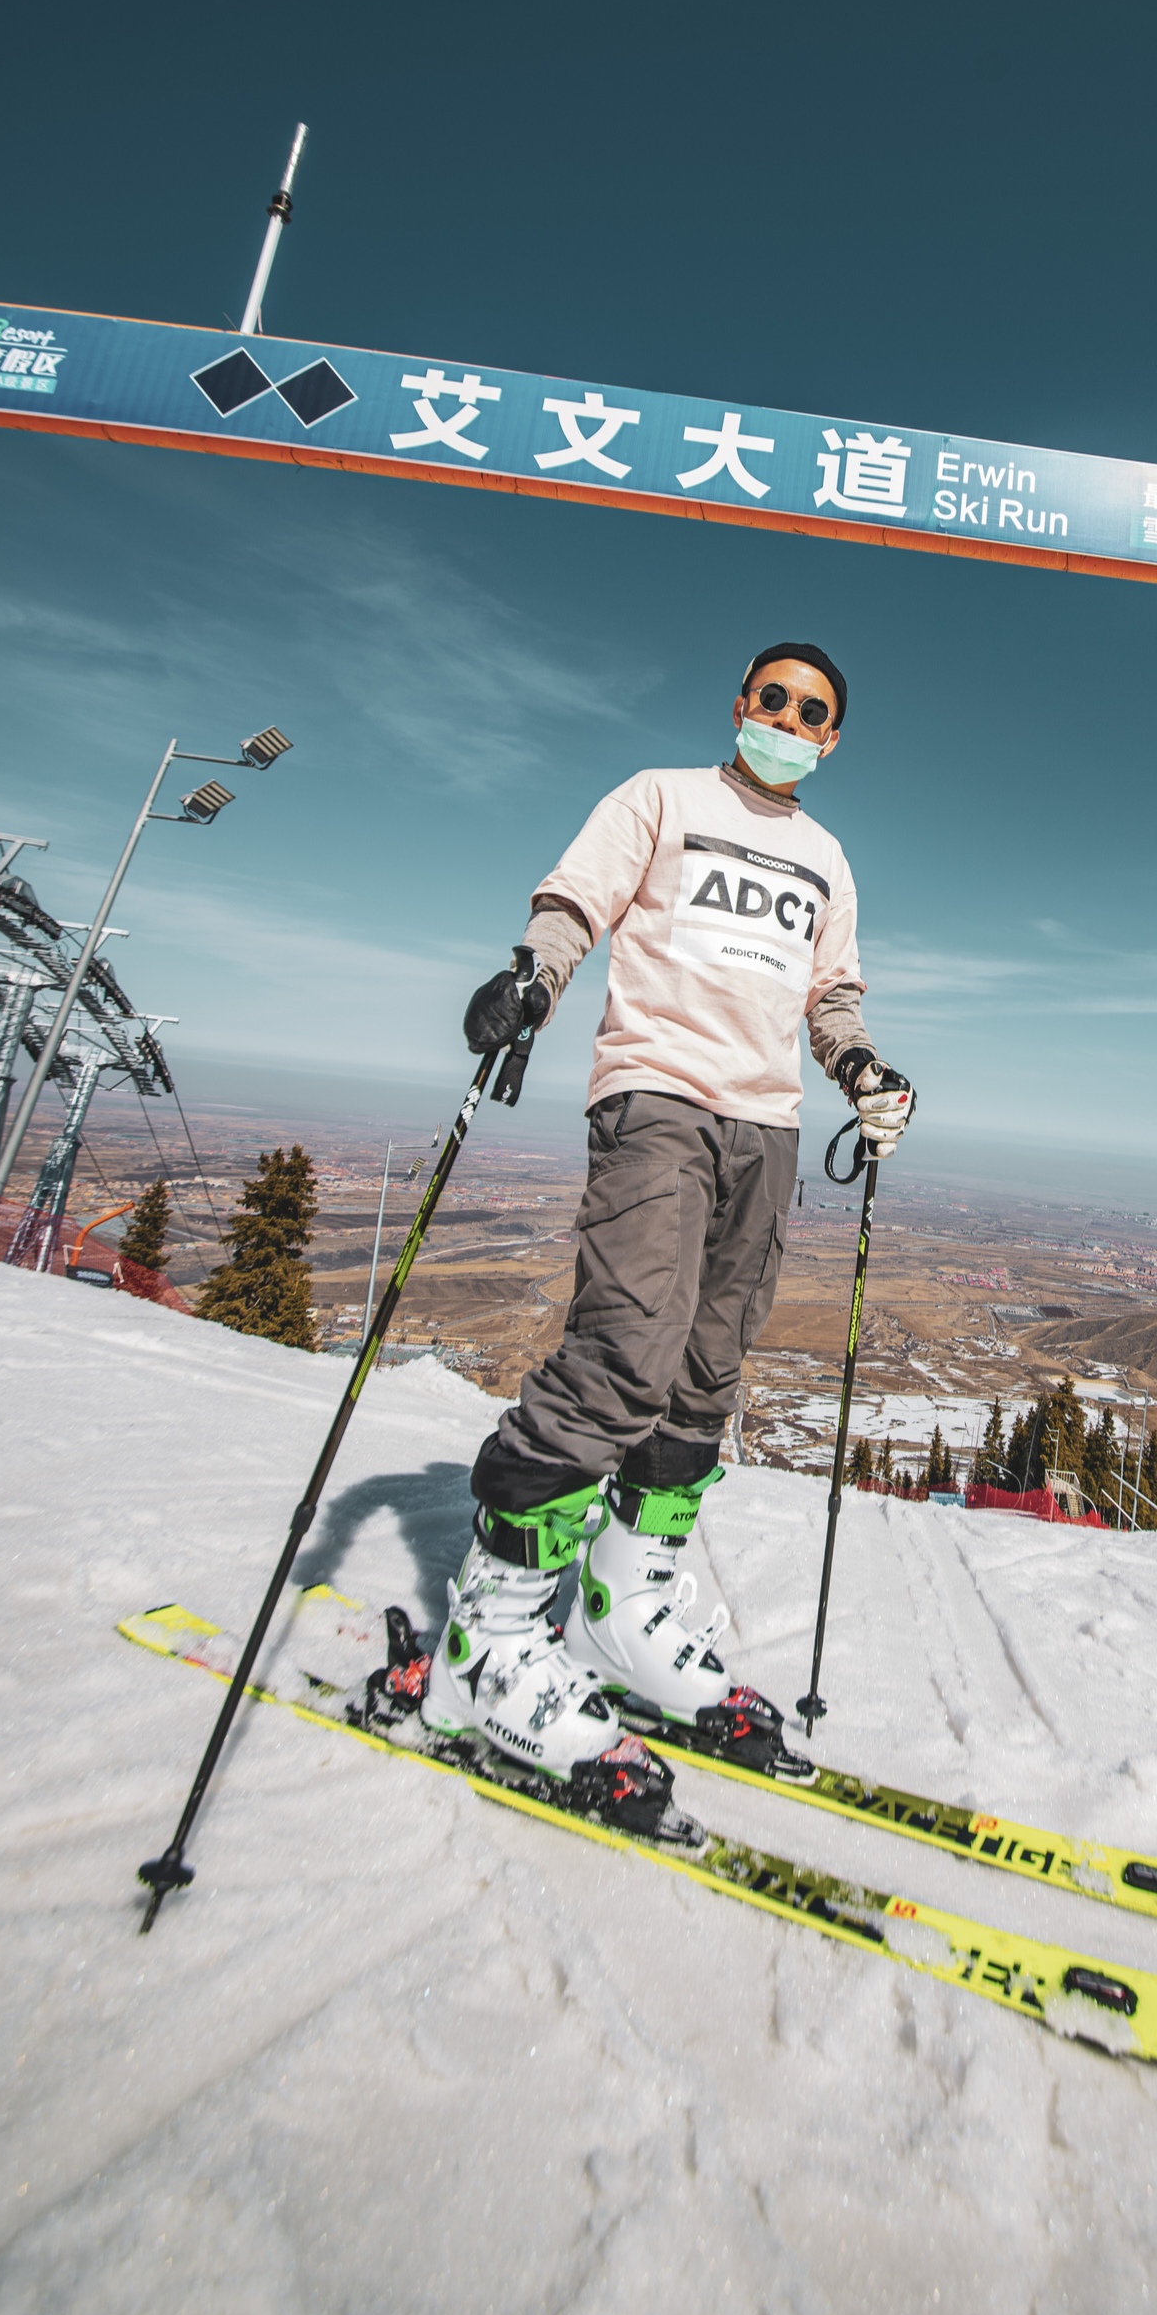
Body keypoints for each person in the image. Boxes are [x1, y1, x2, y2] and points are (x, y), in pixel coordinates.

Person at [423, 641, 914, 1806]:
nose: (791, 719)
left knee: (706, 1369)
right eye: (776, 699)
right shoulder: (662, 796)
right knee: (626, 1352)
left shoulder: (828, 858)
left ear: (831, 739)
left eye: (815, 711)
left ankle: (622, 1613)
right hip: (656, 1095)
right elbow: (576, 899)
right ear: (741, 704)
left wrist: (865, 1071)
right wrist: (535, 980)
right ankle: (487, 1641)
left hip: (768, 1124)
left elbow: (828, 997)